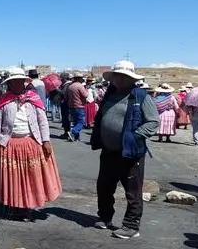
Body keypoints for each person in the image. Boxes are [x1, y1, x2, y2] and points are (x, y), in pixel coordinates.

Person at [90, 60, 159, 239]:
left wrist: (135, 136)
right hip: (109, 151)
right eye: (117, 76)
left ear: (131, 79)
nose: (120, 80)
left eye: (124, 77)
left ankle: (131, 226)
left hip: (130, 152)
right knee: (104, 186)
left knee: (132, 190)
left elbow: (153, 121)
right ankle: (105, 217)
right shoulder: (110, 94)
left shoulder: (141, 97)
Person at [0, 73, 61, 221]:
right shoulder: (3, 100)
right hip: (9, 143)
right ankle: (13, 205)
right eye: (14, 82)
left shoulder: (33, 99)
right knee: (12, 178)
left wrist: (46, 140)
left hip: (30, 142)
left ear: (24, 82)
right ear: (10, 84)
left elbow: (42, 121)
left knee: (29, 177)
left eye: (20, 81)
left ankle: (27, 207)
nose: (18, 84)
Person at [65, 74, 91, 142]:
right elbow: (86, 95)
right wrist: (87, 90)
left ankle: (76, 137)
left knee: (76, 122)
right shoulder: (80, 86)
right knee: (81, 122)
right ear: (79, 79)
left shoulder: (70, 86)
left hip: (71, 106)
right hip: (79, 106)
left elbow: (66, 97)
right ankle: (73, 132)